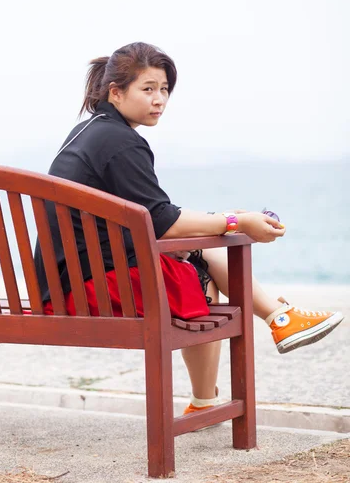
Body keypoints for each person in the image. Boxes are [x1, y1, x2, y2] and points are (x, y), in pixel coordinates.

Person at [34, 42, 344, 416]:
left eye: (164, 89)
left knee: (198, 256)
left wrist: (223, 219)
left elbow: (150, 217)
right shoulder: (120, 143)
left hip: (64, 282)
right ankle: (271, 325)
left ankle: (271, 326)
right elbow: (164, 222)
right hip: (85, 291)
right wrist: (235, 222)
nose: (159, 99)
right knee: (201, 270)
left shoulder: (90, 133)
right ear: (116, 92)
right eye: (147, 89)